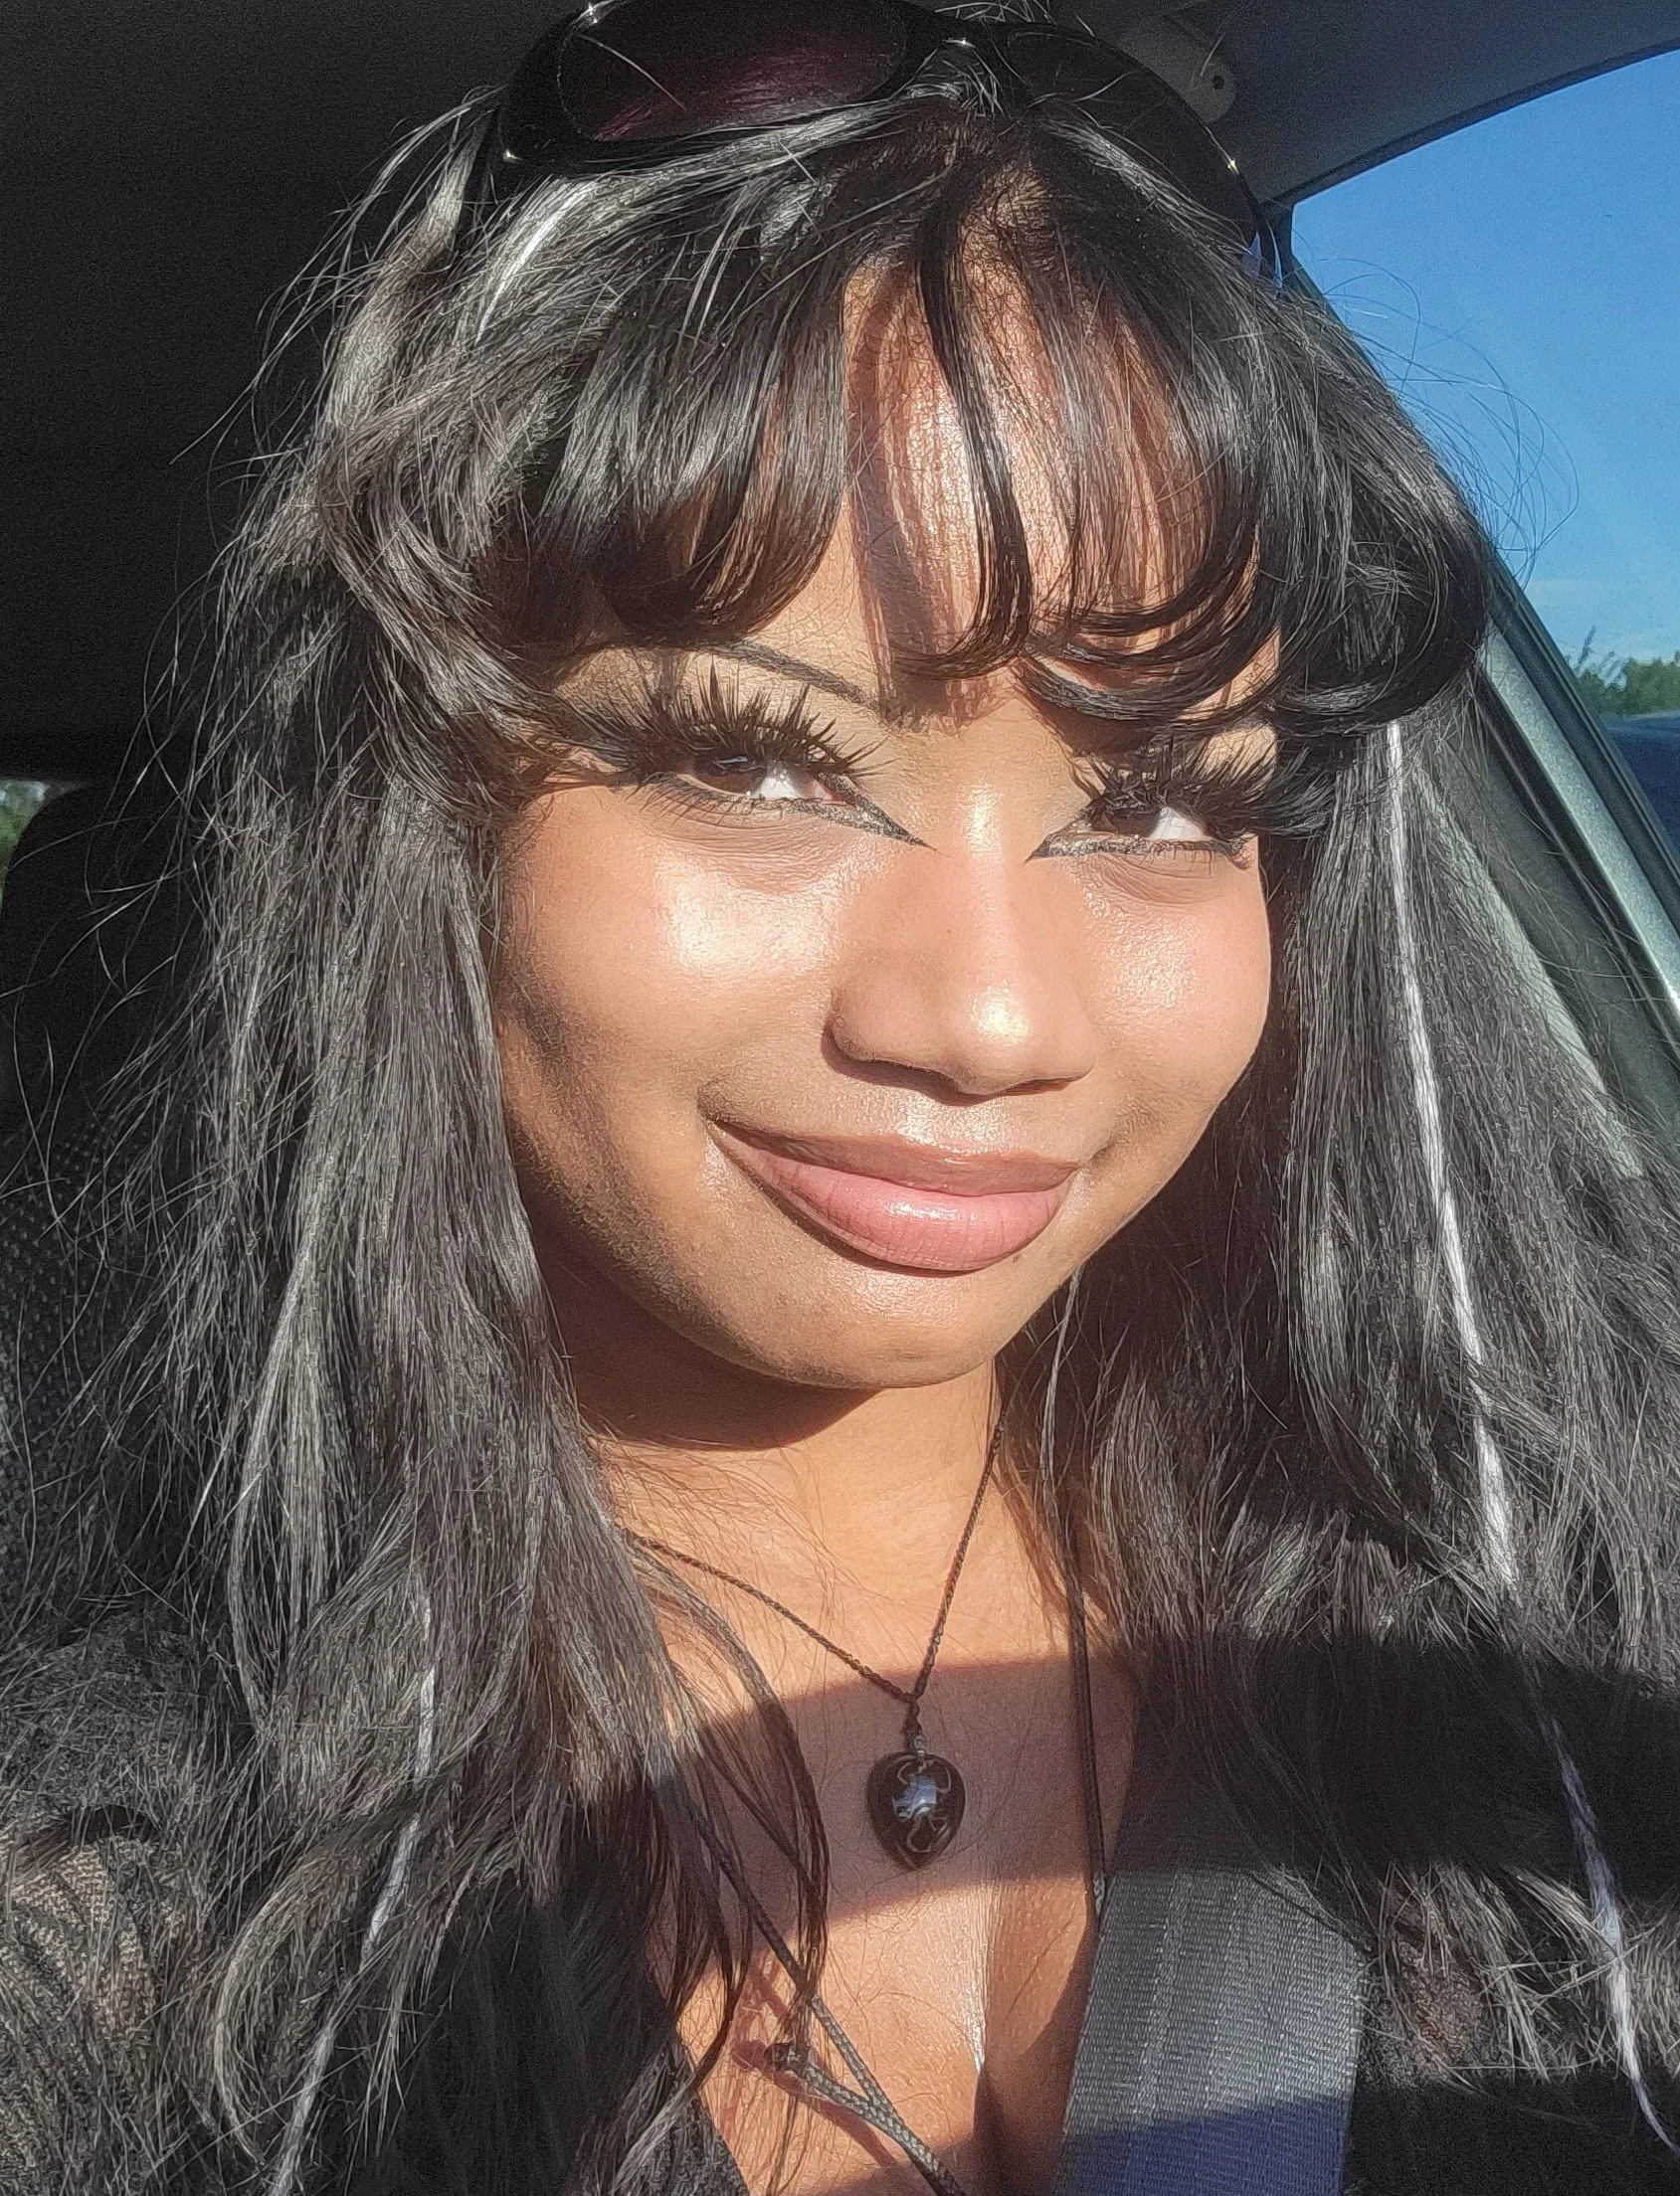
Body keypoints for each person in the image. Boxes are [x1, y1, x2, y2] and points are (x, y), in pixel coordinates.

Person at [4, 2, 1680, 2191]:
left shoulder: (1555, 1601)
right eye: (756, 761)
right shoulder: (121, 1923)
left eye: (1162, 801)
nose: (987, 1020)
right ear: (421, 819)